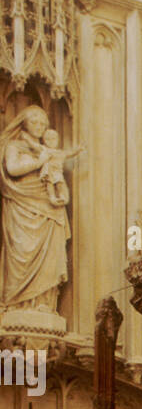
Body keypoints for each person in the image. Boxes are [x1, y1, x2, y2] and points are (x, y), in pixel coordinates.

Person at [0, 105, 76, 312]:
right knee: (22, 250)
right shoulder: (14, 145)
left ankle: (44, 302)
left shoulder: (47, 149)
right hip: (21, 205)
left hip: (48, 205)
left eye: (43, 124)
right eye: (35, 122)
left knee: (50, 252)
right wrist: (38, 162)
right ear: (24, 123)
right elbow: (12, 169)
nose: (39, 127)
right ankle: (16, 304)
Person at [36, 128, 82, 207]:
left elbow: (70, 153)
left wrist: (78, 150)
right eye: (48, 139)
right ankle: (52, 197)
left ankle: (62, 196)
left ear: (57, 140)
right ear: (43, 141)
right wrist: (26, 139)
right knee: (49, 184)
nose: (51, 141)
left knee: (60, 183)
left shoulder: (60, 152)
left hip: (57, 171)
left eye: (53, 138)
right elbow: (34, 146)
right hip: (48, 171)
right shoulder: (45, 150)